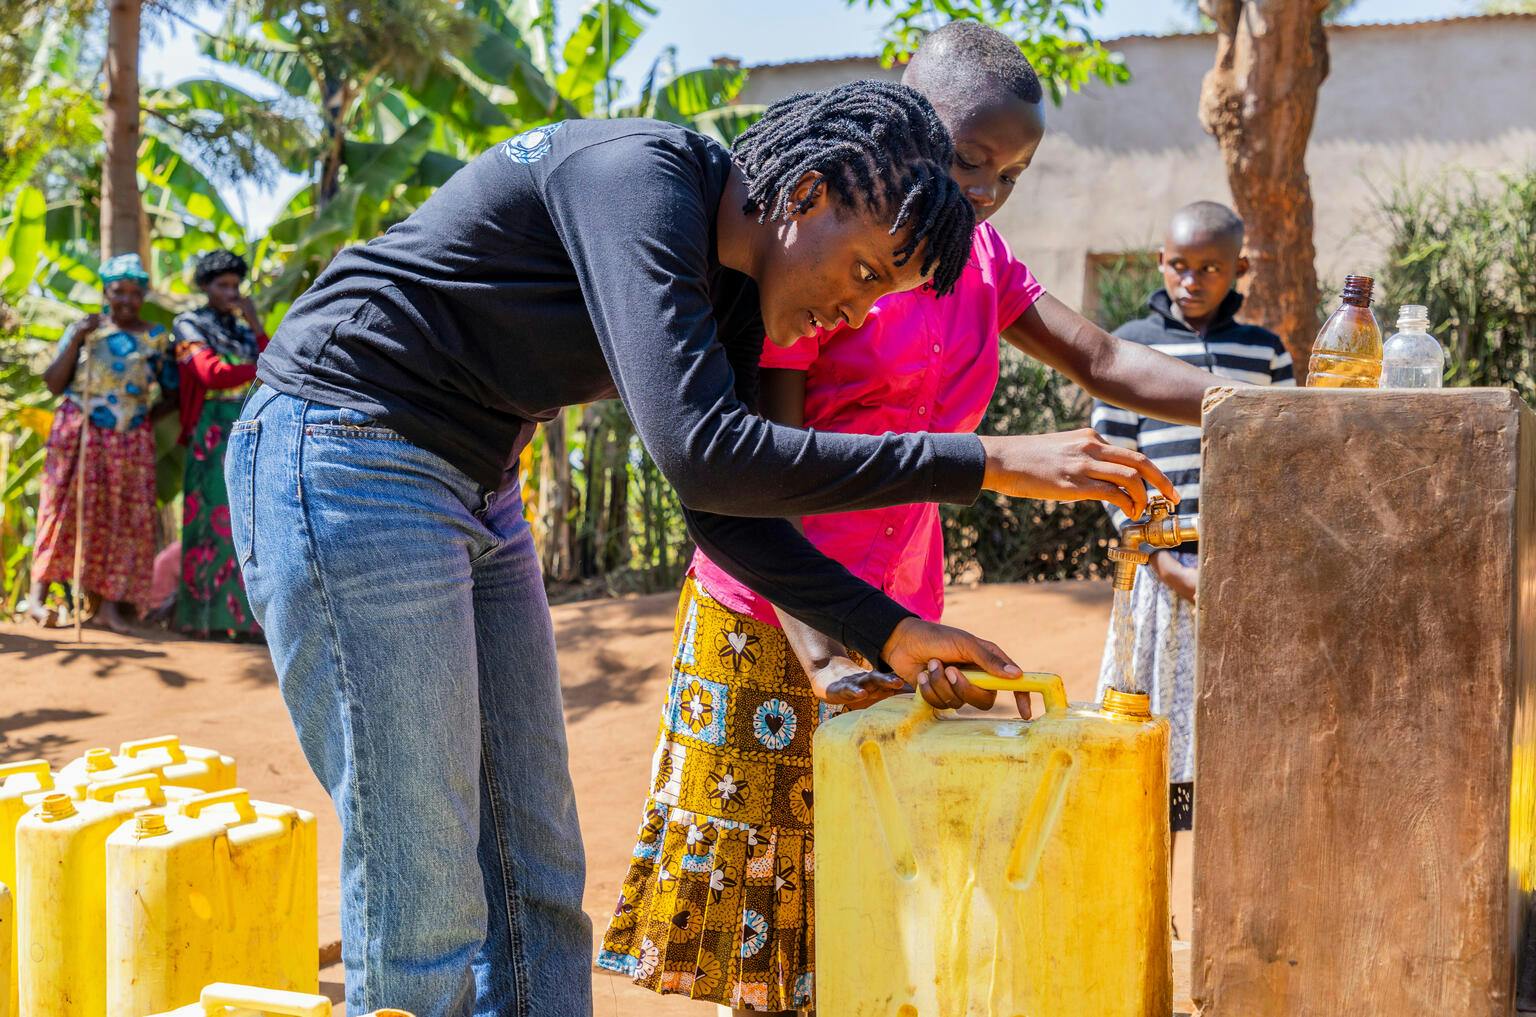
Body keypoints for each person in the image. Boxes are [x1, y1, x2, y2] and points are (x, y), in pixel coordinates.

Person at [229, 81, 1175, 1017]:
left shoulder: (730, 291)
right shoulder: (637, 183)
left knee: (536, 866)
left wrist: (887, 630)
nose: (854, 314)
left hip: (478, 481)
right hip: (349, 450)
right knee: (424, 874)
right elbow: (702, 453)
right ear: (804, 195)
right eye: (863, 274)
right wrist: (982, 460)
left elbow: (722, 508)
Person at [598, 25, 1224, 1014]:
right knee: (770, 942)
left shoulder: (982, 263)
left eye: (1011, 174)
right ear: (903, 112)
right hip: (777, 621)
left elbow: (1101, 360)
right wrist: (825, 648)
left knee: (872, 898)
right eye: (972, 160)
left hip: (899, 620)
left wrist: (1254, 405)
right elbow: (765, 478)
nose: (984, 191)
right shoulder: (829, 261)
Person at [1091, 200, 1294, 894]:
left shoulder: (1265, 352)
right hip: (1158, 576)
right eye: (1179, 265)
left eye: (1211, 267)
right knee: (1153, 742)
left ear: (1240, 269)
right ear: (1161, 263)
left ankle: (1228, 908)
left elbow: (1286, 465)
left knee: (1237, 745)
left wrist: (1248, 567)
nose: (1193, 279)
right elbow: (1112, 468)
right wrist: (1164, 564)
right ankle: (1149, 902)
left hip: (1248, 577)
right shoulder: (1128, 347)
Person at [28, 253, 176, 634]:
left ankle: (108, 608)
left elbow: (171, 391)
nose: (126, 300)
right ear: (105, 292)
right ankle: (37, 599)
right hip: (79, 433)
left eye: (134, 293)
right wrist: (77, 336)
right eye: (117, 292)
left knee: (122, 519)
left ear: (143, 294)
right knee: (60, 509)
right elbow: (53, 383)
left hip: (130, 439)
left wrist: (138, 420)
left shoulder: (157, 338)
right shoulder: (87, 330)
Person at [171, 249, 267, 638]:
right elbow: (211, 374)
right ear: (205, 287)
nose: (231, 292)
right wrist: (261, 365)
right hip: (211, 431)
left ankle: (244, 622)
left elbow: (273, 359)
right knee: (208, 519)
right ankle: (200, 620)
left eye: (235, 285)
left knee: (245, 523)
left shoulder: (244, 329)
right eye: (222, 285)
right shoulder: (188, 324)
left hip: (248, 427)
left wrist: (257, 322)